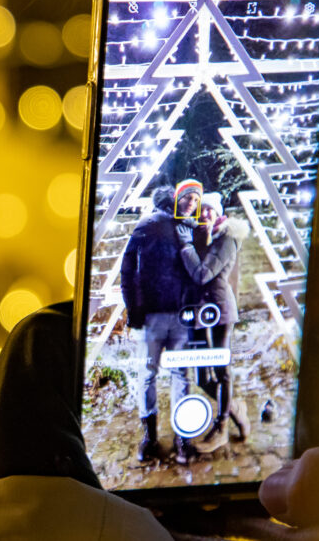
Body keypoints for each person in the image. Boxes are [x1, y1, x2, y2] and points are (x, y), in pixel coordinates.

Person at [0, 240, 319, 540]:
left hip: (212, 316)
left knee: (215, 378)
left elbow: (208, 275)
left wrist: (29, 520)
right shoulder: (163, 235)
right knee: (164, 376)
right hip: (178, 317)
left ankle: (224, 438)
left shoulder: (218, 243)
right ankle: (172, 444)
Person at [119, 179, 203, 464]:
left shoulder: (144, 226)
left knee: (148, 374)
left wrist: (133, 311)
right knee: (181, 376)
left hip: (151, 315)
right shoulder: (187, 228)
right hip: (181, 314)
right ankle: (183, 441)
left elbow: (126, 272)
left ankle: (150, 438)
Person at [175, 191, 251, 452]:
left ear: (220, 214)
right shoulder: (199, 234)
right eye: (202, 209)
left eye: (210, 210)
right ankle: (235, 407)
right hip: (196, 311)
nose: (205, 213)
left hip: (220, 309)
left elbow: (202, 274)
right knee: (201, 377)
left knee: (221, 370)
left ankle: (221, 429)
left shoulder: (227, 237)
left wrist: (186, 247)